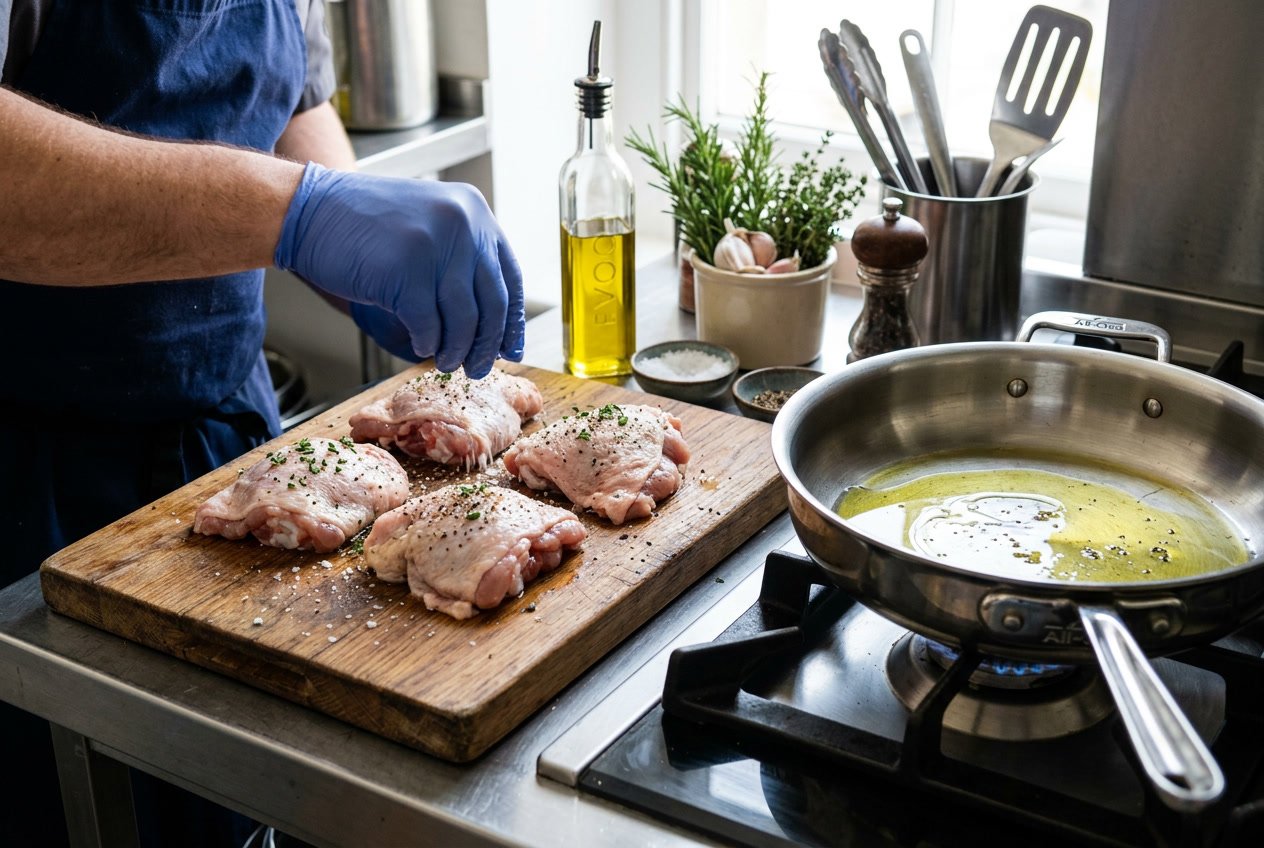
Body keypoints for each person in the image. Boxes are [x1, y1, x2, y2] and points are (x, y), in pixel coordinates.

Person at [0, 1, 525, 845]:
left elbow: (285, 95)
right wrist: (301, 215)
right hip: (26, 470)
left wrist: (364, 239)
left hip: (229, 441)